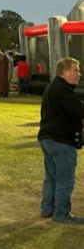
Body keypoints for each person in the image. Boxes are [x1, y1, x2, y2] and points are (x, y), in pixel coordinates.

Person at [38, 58, 84, 224]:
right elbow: (79, 109)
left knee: (51, 177)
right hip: (61, 140)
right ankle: (62, 214)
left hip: (48, 138)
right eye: (75, 70)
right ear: (65, 72)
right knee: (65, 179)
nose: (78, 74)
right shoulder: (62, 89)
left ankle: (47, 209)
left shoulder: (54, 87)